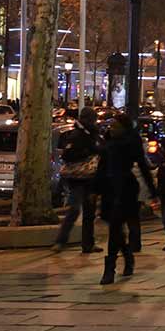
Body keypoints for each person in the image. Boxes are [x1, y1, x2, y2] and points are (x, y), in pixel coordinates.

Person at [96, 114, 156, 285]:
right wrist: (95, 189)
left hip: (125, 189)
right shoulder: (108, 143)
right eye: (111, 126)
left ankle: (110, 268)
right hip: (109, 188)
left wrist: (152, 189)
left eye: (115, 126)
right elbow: (102, 166)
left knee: (115, 227)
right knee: (115, 229)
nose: (111, 129)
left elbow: (143, 166)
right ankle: (127, 256)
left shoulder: (131, 143)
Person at [54, 105, 102, 253]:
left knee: (87, 211)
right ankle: (64, 241)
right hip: (81, 177)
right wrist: (89, 152)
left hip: (86, 177)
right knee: (77, 210)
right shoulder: (79, 135)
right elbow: (68, 155)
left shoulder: (90, 134)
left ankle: (85, 243)